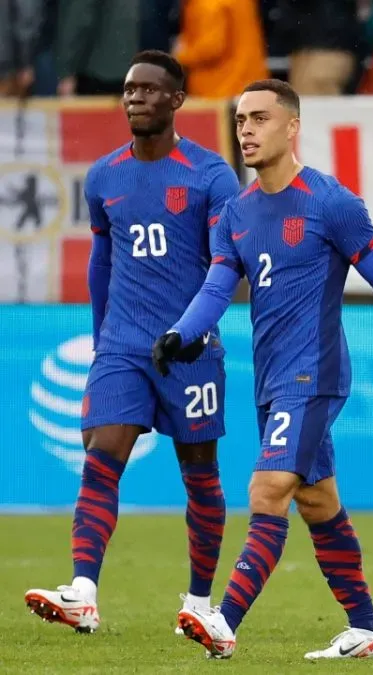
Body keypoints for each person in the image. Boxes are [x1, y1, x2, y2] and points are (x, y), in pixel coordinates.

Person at [153, 78, 373, 660]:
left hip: (314, 374)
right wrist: (180, 334)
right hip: (270, 380)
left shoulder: (331, 202)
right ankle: (368, 629)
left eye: (260, 119)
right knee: (318, 501)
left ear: (292, 127)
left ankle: (224, 621)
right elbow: (217, 288)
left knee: (267, 488)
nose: (246, 130)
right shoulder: (235, 214)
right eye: (241, 120)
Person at [24, 50, 239, 635]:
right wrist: (103, 342)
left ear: (177, 100)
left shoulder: (211, 175)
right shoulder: (104, 177)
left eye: (148, 89)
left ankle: (200, 601)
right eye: (128, 89)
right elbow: (102, 261)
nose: (135, 98)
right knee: (101, 457)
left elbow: (226, 265)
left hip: (191, 350)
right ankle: (83, 593)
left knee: (201, 476)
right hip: (122, 346)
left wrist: (192, 329)